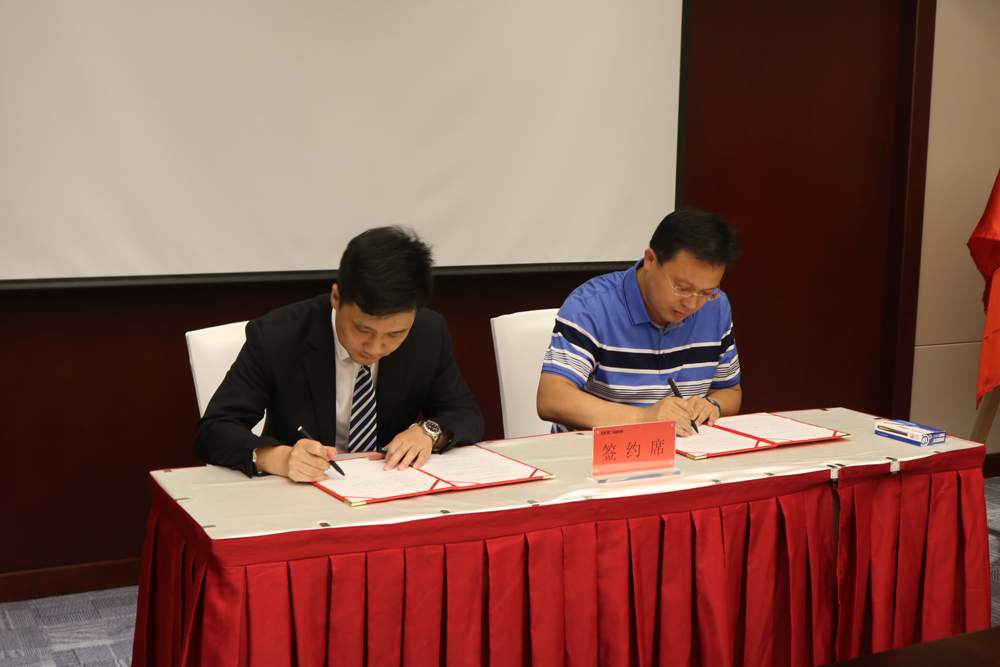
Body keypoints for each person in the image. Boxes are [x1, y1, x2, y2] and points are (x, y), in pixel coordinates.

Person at [195, 226, 485, 481]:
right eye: (362, 329)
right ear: (336, 298)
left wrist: (429, 432)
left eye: (394, 334)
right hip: (300, 491)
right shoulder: (277, 337)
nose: (375, 348)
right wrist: (279, 458)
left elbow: (465, 413)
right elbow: (215, 430)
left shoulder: (428, 334)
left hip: (389, 485)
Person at [536, 209, 741, 435]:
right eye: (682, 288)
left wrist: (713, 405)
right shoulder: (591, 305)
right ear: (651, 260)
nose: (691, 304)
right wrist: (642, 418)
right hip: (594, 451)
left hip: (682, 450)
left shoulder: (716, 306)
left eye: (706, 292)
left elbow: (730, 391)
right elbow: (551, 399)